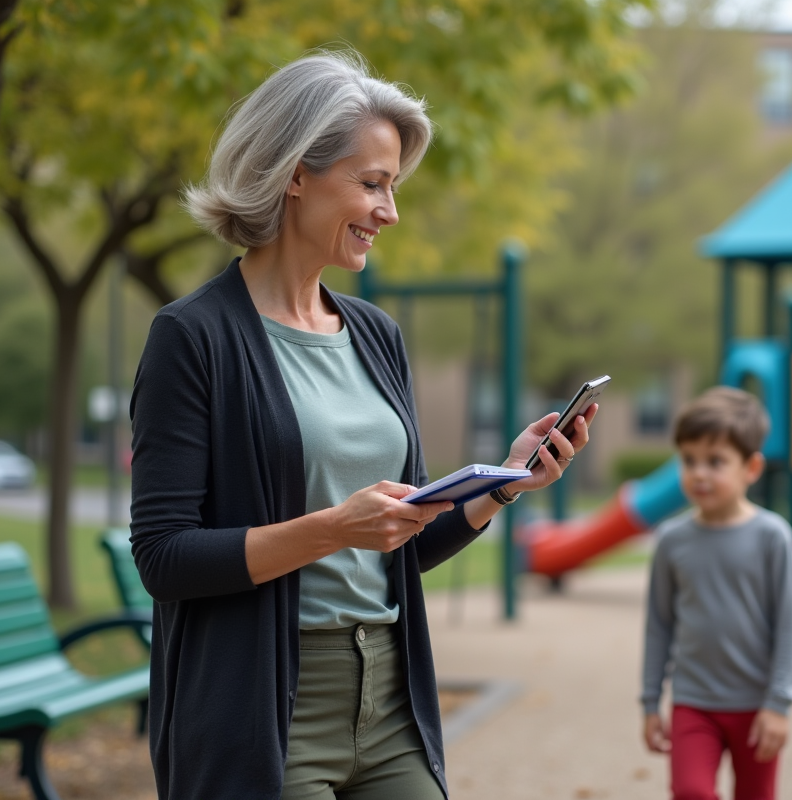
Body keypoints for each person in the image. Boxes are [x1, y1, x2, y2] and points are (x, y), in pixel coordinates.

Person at [130, 50, 596, 800]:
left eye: (393, 187)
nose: (390, 211)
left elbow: (395, 542)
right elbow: (164, 557)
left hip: (389, 700)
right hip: (263, 713)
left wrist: (502, 484)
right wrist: (331, 529)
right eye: (372, 183)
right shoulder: (194, 338)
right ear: (294, 174)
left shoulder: (375, 334)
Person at [640, 387, 792, 800]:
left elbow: (790, 627)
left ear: (751, 467)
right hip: (693, 703)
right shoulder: (671, 541)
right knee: (692, 792)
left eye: (715, 462)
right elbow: (658, 625)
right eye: (689, 460)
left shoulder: (773, 537)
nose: (699, 473)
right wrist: (649, 702)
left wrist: (779, 704)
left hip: (757, 706)